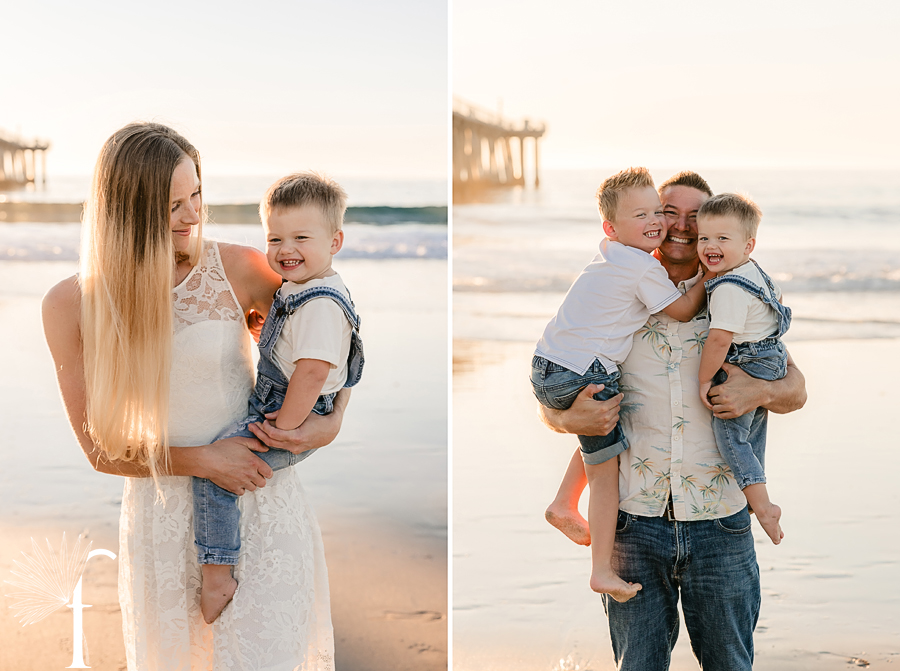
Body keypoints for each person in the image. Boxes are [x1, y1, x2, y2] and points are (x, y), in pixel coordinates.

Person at [42, 122, 346, 670]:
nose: (193, 215)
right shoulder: (69, 304)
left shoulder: (238, 269)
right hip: (162, 521)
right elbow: (98, 452)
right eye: (173, 204)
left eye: (197, 195)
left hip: (261, 503)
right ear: (126, 214)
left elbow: (325, 342)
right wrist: (205, 460)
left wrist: (332, 422)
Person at [540, 171, 807, 670]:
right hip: (632, 523)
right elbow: (561, 380)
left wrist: (761, 390)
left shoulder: (738, 296)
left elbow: (796, 391)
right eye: (669, 213)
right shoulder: (617, 293)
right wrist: (561, 415)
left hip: (720, 523)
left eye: (696, 217)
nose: (682, 227)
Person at [532, 167, 711, 602]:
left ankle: (562, 501)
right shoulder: (644, 271)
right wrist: (711, 272)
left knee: (605, 442)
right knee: (607, 473)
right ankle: (600, 571)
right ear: (611, 226)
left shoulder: (609, 256)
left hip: (549, 366)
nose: (663, 223)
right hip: (585, 374)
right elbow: (684, 310)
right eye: (654, 213)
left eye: (657, 213)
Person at [195, 172, 363, 624]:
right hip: (289, 404)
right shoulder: (300, 287)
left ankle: (218, 573)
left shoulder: (322, 302)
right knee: (223, 462)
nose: (286, 250)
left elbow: (311, 373)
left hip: (291, 412)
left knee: (218, 471)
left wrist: (284, 429)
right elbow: (296, 347)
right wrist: (266, 332)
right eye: (275, 237)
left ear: (335, 241)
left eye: (301, 237)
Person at [697, 193, 790, 545]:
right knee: (752, 432)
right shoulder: (754, 272)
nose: (710, 246)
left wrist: (705, 379)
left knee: (730, 434)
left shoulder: (729, 288)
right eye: (704, 238)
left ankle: (764, 507)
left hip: (747, 360)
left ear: (748, 244)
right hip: (772, 357)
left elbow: (719, 340)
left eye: (723, 238)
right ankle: (757, 495)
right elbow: (777, 302)